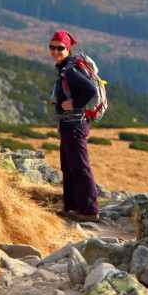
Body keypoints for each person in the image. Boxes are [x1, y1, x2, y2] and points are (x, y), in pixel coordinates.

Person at [49, 30, 100, 223]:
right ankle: (71, 207)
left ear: (68, 49)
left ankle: (89, 211)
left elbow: (91, 89)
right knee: (68, 166)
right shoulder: (64, 68)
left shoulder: (70, 70)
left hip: (75, 125)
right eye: (52, 47)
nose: (55, 51)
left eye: (60, 47)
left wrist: (74, 104)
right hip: (68, 125)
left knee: (80, 167)